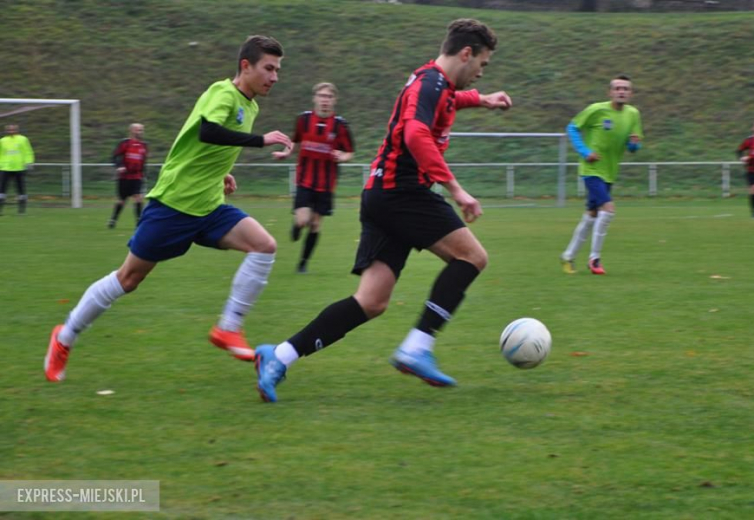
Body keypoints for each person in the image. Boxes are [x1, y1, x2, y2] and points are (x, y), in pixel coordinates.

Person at [253, 18, 512, 403]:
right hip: (401, 191)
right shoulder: (430, 83)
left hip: (381, 194)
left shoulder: (432, 82)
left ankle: (280, 356)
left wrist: (483, 98)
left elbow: (448, 101)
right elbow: (415, 134)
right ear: (466, 53)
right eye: (483, 65)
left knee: (371, 301)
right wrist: (456, 189)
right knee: (472, 257)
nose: (480, 73)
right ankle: (417, 347)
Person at [44, 35, 293, 382]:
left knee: (265, 246)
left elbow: (203, 144)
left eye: (278, 70)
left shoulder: (249, 105)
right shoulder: (222, 92)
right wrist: (260, 140)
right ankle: (65, 337)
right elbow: (208, 130)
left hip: (208, 206)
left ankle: (228, 328)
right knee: (128, 278)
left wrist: (221, 172)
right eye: (269, 68)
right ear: (245, 66)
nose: (275, 76)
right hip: (174, 205)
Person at [560, 74, 643, 275]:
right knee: (608, 209)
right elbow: (572, 127)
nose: (621, 91)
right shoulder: (597, 110)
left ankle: (568, 256)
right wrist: (585, 152)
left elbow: (634, 146)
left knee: (592, 215)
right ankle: (594, 259)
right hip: (592, 170)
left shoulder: (633, 114)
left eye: (625, 89)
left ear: (630, 93)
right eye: (617, 88)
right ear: (610, 92)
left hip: (609, 172)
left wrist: (633, 144)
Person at [273, 82, 355, 273]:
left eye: (328, 97)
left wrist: (341, 156)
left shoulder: (340, 126)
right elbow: (294, 141)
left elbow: (349, 152)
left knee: (316, 224)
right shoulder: (303, 120)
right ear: (315, 98)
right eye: (321, 96)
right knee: (303, 220)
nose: (325, 100)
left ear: (334, 100)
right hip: (304, 180)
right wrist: (286, 153)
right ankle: (297, 225)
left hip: (326, 184)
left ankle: (303, 263)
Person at [108, 123, 149, 228]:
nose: (141, 132)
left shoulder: (144, 145)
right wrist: (119, 166)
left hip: (137, 177)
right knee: (122, 200)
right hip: (124, 177)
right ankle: (113, 219)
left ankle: (139, 222)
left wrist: (144, 173)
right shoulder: (125, 143)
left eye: (141, 130)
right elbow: (115, 156)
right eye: (138, 130)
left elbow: (143, 161)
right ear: (132, 131)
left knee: (138, 198)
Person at [0, 124, 35, 215]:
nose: (11, 131)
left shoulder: (23, 139)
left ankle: (21, 210)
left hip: (19, 167)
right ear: (6, 131)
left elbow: (28, 151)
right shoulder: (2, 140)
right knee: (2, 189)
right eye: (9, 130)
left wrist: (29, 162)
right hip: (5, 168)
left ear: (17, 130)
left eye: (13, 130)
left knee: (21, 189)